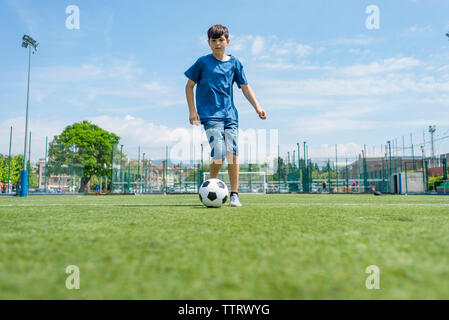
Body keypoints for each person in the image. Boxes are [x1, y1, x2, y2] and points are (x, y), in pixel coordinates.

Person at [185, 24, 266, 207]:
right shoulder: (202, 63)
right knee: (220, 153)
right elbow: (189, 86)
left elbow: (245, 87)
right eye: (213, 40)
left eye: (221, 40)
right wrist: (192, 111)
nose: (217, 43)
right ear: (208, 43)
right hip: (209, 114)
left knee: (232, 155)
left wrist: (257, 107)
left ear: (227, 41)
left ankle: (235, 194)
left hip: (230, 115)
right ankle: (209, 187)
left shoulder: (235, 63)